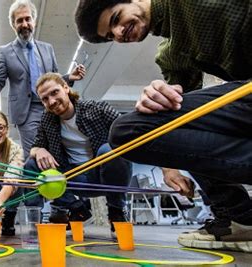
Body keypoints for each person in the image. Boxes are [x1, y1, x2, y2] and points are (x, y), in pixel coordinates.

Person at [74, 0, 252, 252]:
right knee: (137, 128)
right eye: (110, 36)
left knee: (125, 130)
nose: (118, 34)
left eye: (115, 19)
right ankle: (240, 218)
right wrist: (169, 166)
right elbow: (173, 124)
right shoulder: (171, 53)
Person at [24, 72, 132, 234]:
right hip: (72, 178)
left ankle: (116, 211)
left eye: (54, 92)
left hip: (104, 177)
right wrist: (39, 150)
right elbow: (35, 146)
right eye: (45, 99)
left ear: (66, 88)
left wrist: (167, 168)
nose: (51, 101)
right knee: (32, 164)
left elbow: (131, 133)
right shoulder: (47, 120)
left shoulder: (97, 108)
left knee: (110, 149)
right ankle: (47, 217)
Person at [0, 0, 86, 158]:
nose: (24, 24)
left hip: (51, 106)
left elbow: (54, 79)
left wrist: (70, 77)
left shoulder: (47, 48)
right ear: (13, 25)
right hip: (26, 111)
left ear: (34, 21)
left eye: (28, 19)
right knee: (35, 154)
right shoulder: (5, 52)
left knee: (58, 150)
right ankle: (38, 182)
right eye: (19, 20)